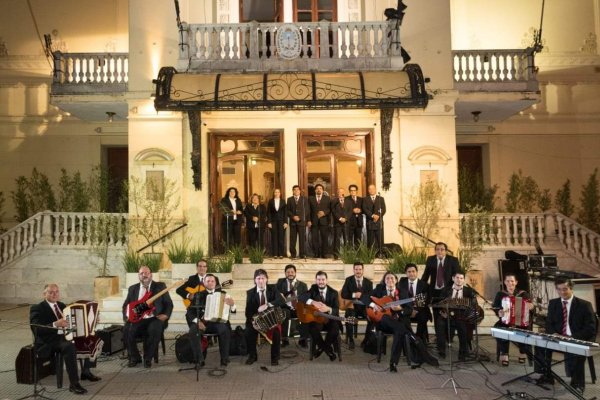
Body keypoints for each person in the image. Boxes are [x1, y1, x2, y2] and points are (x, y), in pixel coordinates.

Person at [30, 284, 99, 395]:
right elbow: (35, 328)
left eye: (57, 292)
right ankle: (74, 384)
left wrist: (91, 321)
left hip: (66, 335)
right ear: (44, 294)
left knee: (90, 337)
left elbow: (72, 321)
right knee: (69, 346)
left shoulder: (62, 305)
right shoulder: (37, 308)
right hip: (49, 340)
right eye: (51, 292)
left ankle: (86, 371)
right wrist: (55, 324)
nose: (54, 294)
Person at [534, 277, 596, 394]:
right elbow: (549, 323)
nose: (562, 292)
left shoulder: (584, 305)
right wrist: (554, 333)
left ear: (571, 288)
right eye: (559, 289)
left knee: (576, 351)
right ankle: (547, 375)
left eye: (565, 289)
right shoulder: (553, 303)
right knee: (540, 346)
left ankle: (577, 382)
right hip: (558, 337)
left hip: (576, 337)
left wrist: (572, 337)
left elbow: (590, 328)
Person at [369, 272, 438, 372]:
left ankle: (393, 363)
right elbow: (366, 298)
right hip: (383, 323)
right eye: (387, 278)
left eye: (392, 278)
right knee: (386, 318)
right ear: (384, 281)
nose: (390, 280)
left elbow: (409, 310)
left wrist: (400, 309)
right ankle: (410, 335)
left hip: (398, 322)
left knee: (399, 331)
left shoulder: (402, 292)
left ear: (396, 280)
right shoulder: (379, 290)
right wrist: (373, 305)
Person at [122, 265, 173, 368]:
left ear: (151, 275)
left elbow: (168, 303)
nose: (144, 275)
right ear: (138, 276)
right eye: (141, 273)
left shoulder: (160, 286)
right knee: (127, 329)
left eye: (146, 273)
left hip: (155, 317)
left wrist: (166, 315)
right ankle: (135, 357)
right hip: (138, 319)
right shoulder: (133, 288)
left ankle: (148, 358)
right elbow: (126, 305)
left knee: (155, 329)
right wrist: (127, 315)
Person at [185, 274, 235, 368]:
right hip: (202, 323)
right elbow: (190, 311)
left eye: (212, 281)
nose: (210, 283)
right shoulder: (198, 295)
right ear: (204, 283)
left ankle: (224, 358)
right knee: (193, 331)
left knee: (224, 329)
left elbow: (233, 310)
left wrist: (232, 305)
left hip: (217, 323)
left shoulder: (224, 294)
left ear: (216, 283)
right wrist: (197, 322)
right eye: (208, 281)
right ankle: (199, 360)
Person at [421, 242, 460, 356]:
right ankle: (441, 345)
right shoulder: (431, 260)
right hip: (435, 293)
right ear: (435, 251)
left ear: (446, 251)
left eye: (442, 249)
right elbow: (425, 276)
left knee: (448, 316)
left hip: (448, 293)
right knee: (438, 318)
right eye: (438, 249)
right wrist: (421, 288)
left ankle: (448, 338)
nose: (440, 251)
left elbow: (458, 275)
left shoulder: (453, 260)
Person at [299, 271, 341, 361]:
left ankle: (321, 348)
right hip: (318, 319)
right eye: (319, 280)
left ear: (327, 280)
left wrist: (328, 309)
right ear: (316, 280)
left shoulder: (333, 292)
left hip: (330, 319)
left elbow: (336, 310)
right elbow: (301, 297)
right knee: (312, 328)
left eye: (323, 279)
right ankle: (328, 350)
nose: (321, 282)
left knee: (335, 329)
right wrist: (313, 302)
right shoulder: (313, 289)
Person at [492, 273, 533, 366]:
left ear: (516, 282)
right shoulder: (500, 294)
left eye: (512, 281)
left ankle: (522, 352)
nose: (510, 283)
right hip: (506, 321)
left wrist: (531, 306)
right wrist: (499, 312)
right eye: (508, 281)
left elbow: (530, 306)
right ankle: (504, 353)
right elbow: (496, 307)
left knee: (525, 330)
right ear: (504, 282)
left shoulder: (523, 294)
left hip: (520, 321)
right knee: (499, 329)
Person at [245, 269, 283, 366]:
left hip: (272, 319)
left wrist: (268, 305)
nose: (260, 281)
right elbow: (248, 311)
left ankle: (274, 357)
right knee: (249, 330)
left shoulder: (273, 288)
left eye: (263, 278)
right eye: (258, 278)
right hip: (257, 320)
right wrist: (254, 321)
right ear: (255, 280)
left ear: (266, 279)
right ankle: (252, 356)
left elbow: (281, 300)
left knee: (276, 332)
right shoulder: (250, 293)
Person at [435, 270, 475, 361]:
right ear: (453, 278)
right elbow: (439, 303)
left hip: (461, 316)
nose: (459, 280)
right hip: (447, 314)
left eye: (461, 278)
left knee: (462, 327)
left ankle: (463, 352)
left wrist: (467, 313)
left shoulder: (468, 291)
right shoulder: (446, 290)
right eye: (457, 278)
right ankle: (441, 351)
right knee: (440, 323)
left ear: (464, 280)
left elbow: (473, 305)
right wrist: (442, 312)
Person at [340, 262, 373, 349]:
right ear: (353, 270)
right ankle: (351, 340)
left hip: (364, 307)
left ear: (363, 270)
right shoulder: (348, 280)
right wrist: (354, 295)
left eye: (360, 269)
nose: (358, 271)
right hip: (352, 306)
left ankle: (366, 340)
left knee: (372, 318)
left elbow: (370, 297)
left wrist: (361, 296)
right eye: (356, 269)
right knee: (350, 317)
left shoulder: (369, 283)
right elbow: (343, 294)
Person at [275, 264, 309, 347]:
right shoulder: (280, 282)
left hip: (298, 307)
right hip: (285, 307)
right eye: (288, 272)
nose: (290, 274)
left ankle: (303, 339)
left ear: (295, 273)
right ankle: (285, 339)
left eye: (292, 272)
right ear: (285, 273)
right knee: (284, 313)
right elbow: (275, 295)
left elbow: (306, 299)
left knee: (305, 313)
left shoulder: (302, 285)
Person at [398, 263, 432, 344]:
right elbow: (400, 298)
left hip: (420, 309)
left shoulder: (424, 285)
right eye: (409, 272)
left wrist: (415, 310)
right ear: (406, 273)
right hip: (406, 309)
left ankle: (418, 338)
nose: (411, 273)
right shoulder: (402, 283)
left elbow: (426, 300)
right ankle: (409, 337)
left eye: (413, 271)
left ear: (417, 272)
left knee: (423, 317)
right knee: (402, 318)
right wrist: (410, 310)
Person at [362, 184, 386, 256]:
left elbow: (384, 209)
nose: (371, 190)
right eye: (370, 189)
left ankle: (380, 254)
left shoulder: (380, 198)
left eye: (373, 189)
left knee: (380, 239)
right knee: (370, 239)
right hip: (370, 222)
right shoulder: (365, 199)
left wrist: (378, 216)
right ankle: (371, 255)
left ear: (375, 189)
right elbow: (364, 209)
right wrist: (372, 216)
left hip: (379, 222)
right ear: (368, 190)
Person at [287, 185, 309, 259]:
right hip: (293, 222)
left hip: (301, 222)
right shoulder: (289, 199)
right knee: (292, 239)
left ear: (300, 191)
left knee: (302, 239)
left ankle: (302, 254)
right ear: (293, 191)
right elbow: (288, 210)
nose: (296, 191)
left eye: (297, 190)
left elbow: (307, 210)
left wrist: (300, 217)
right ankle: (293, 254)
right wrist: (293, 217)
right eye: (294, 190)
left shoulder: (304, 199)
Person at [309, 183, 331, 258]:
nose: (319, 190)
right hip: (314, 221)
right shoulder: (310, 198)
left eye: (320, 188)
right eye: (317, 188)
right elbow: (309, 210)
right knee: (314, 238)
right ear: (315, 190)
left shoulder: (327, 198)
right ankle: (316, 253)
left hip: (324, 221)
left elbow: (329, 209)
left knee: (324, 238)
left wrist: (324, 213)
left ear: (323, 190)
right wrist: (309, 220)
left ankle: (324, 253)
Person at [267, 188, 287, 258]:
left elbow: (285, 212)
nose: (277, 193)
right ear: (274, 193)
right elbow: (268, 212)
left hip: (281, 221)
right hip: (273, 221)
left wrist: (285, 222)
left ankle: (281, 254)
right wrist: (269, 222)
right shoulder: (270, 201)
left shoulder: (283, 201)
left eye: (278, 192)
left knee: (281, 237)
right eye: (275, 192)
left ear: (280, 193)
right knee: (274, 237)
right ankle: (275, 253)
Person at [331, 188, 351, 258]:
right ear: (337, 193)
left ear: (344, 193)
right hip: (337, 223)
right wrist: (340, 218)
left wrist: (346, 218)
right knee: (337, 238)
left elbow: (350, 211)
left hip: (346, 223)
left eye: (341, 192)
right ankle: (336, 255)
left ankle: (347, 255)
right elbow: (333, 211)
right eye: (339, 192)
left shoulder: (348, 201)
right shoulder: (334, 201)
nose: (340, 193)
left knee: (346, 238)